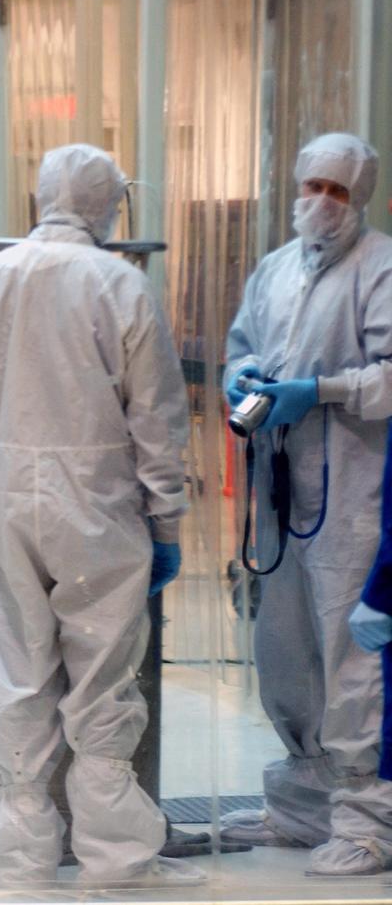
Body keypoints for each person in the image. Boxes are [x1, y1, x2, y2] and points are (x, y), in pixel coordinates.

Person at [0, 143, 194, 885]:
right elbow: (156, 420)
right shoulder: (120, 284)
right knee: (104, 673)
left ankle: (17, 856)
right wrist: (166, 519)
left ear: (42, 196)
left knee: (19, 666)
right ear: (107, 204)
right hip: (99, 503)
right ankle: (116, 857)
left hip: (8, 499)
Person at [222, 132, 392, 876]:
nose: (322, 201)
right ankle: (300, 806)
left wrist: (321, 391)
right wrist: (243, 375)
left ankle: (369, 821)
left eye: (339, 191)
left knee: (349, 656)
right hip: (280, 485)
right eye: (313, 185)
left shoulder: (381, 266)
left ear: (362, 199)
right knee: (284, 650)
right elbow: (240, 345)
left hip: (353, 489)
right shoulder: (274, 270)